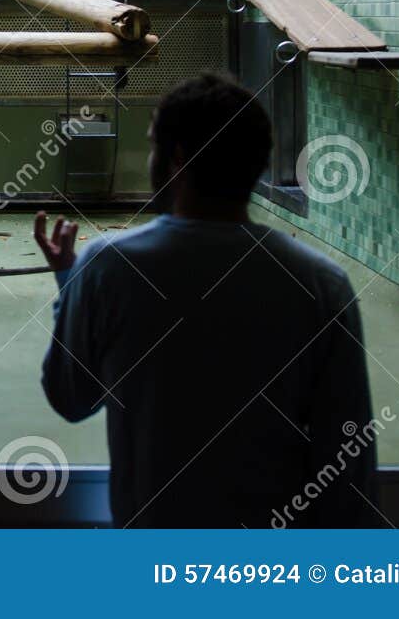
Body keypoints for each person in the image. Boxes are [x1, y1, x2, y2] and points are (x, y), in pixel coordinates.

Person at [35, 73, 379, 528]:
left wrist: (71, 283)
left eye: (154, 146)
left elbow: (70, 397)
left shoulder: (110, 266)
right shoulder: (319, 282)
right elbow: (346, 456)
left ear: (177, 159)